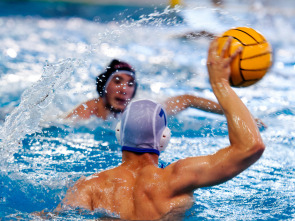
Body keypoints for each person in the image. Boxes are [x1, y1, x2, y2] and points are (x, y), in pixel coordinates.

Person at [56, 38, 265, 220]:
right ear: (164, 138)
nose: (123, 88)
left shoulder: (89, 186)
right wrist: (220, 83)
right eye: (117, 80)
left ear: (119, 133)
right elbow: (250, 146)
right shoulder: (177, 179)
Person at [65, 59, 223, 120]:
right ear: (104, 87)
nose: (124, 89)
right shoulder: (88, 110)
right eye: (117, 81)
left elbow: (188, 99)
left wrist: (229, 111)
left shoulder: (140, 109)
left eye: (130, 84)